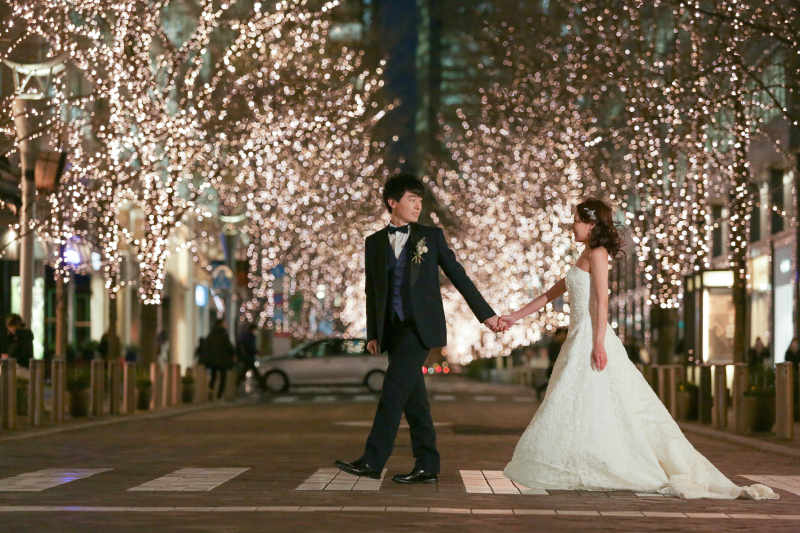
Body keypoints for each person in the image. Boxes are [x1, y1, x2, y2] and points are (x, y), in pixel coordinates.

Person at [497, 198, 777, 500]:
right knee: (580, 403)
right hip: (579, 338)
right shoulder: (584, 254)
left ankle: (606, 462)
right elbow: (549, 294)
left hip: (591, 337)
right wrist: (514, 316)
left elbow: (603, 301)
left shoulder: (599, 254)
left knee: (604, 402)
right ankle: (582, 461)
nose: (572, 224)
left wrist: (599, 343)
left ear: (591, 224)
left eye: (577, 219)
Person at [335, 174, 501, 485]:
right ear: (392, 202)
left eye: (420, 199)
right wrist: (373, 333)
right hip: (392, 330)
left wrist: (487, 316)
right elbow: (373, 290)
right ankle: (428, 464)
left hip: (420, 328)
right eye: (412, 199)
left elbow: (459, 276)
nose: (418, 205)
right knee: (414, 400)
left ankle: (372, 460)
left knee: (392, 392)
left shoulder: (430, 236)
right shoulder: (373, 243)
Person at [200, 319, 236, 400]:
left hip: (213, 360)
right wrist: (232, 355)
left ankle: (211, 390)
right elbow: (229, 347)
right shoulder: (223, 335)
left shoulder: (211, 335)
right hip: (223, 360)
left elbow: (206, 347)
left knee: (213, 376)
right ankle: (219, 396)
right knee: (223, 378)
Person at [537, 327, 567, 399]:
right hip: (553, 365)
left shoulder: (556, 344)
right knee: (551, 382)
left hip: (554, 365)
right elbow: (553, 356)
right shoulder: (554, 344)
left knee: (551, 382)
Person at [237, 324, 266, 391]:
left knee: (245, 372)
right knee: (255, 373)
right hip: (249, 358)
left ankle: (237, 384)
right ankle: (263, 386)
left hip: (249, 358)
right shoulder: (250, 337)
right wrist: (257, 351)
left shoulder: (250, 337)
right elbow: (250, 348)